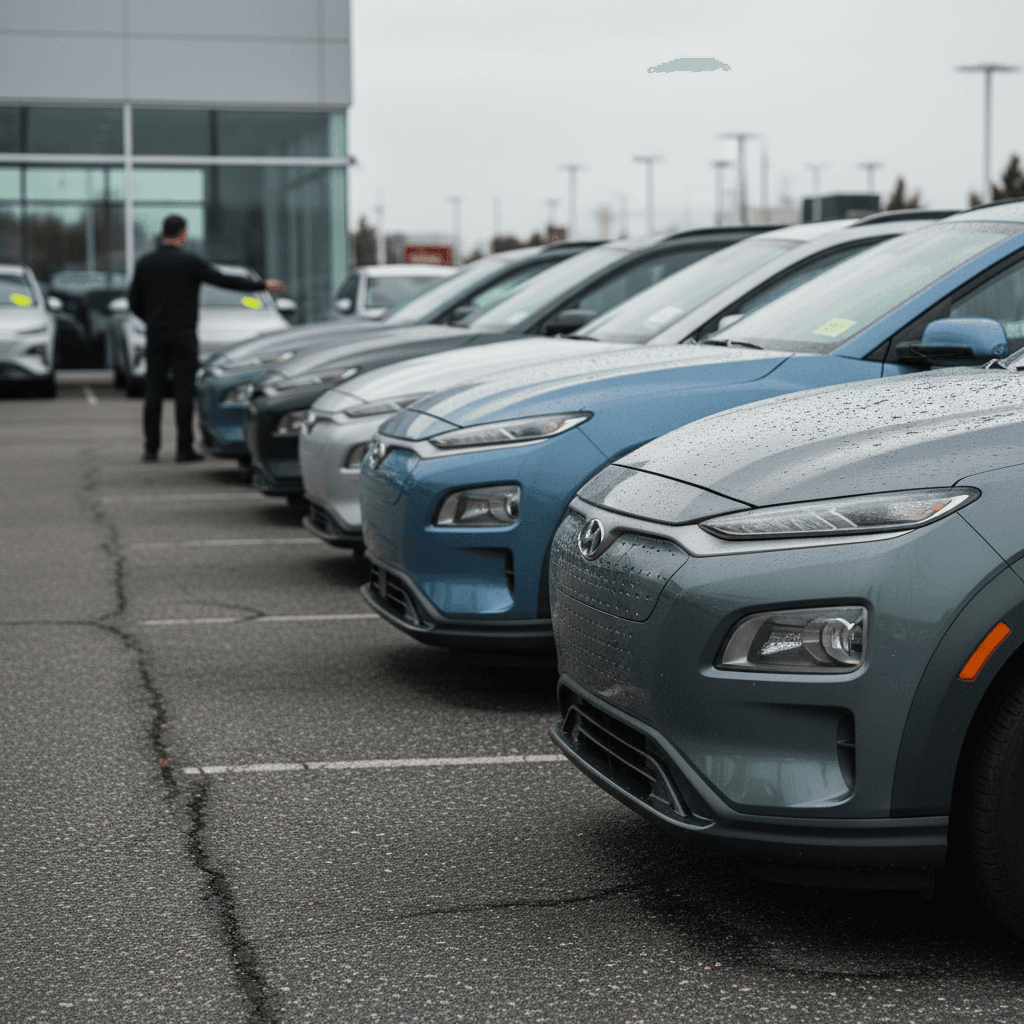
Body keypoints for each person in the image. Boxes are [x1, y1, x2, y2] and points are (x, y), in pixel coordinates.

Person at [129, 214, 265, 461]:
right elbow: (224, 280)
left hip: (157, 335)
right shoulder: (189, 262)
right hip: (183, 334)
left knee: (154, 392)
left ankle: (151, 449)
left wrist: (152, 319)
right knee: (183, 391)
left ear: (163, 232)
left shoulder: (146, 263)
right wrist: (260, 285)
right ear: (181, 234)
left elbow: (134, 302)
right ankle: (183, 449)